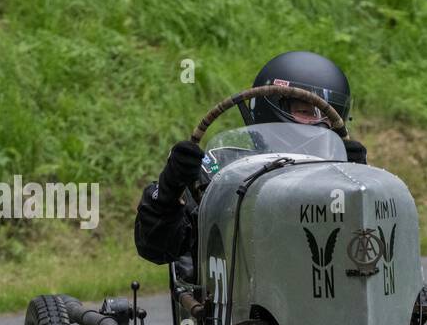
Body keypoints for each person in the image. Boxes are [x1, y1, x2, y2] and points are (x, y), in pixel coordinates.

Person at [134, 50, 368, 265]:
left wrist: (360, 182)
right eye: (306, 111)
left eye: (329, 113)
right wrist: (169, 189)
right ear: (270, 106)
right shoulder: (218, 172)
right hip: (234, 303)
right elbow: (155, 248)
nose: (321, 123)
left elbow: (367, 249)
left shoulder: (341, 177)